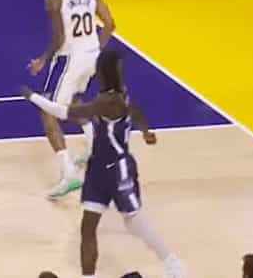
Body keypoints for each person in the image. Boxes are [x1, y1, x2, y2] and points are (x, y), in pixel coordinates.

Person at [22, 50, 188, 278]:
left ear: (102, 72)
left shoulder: (107, 101)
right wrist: (146, 131)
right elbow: (136, 111)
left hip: (118, 169)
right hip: (97, 168)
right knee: (88, 226)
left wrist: (33, 97)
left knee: (133, 222)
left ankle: (173, 263)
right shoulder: (119, 94)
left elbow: (65, 113)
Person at [27, 0, 116, 198]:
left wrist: (42, 59)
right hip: (91, 56)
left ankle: (68, 175)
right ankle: (95, 145)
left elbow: (58, 38)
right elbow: (110, 24)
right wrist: (97, 48)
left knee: (48, 111)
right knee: (75, 100)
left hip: (70, 59)